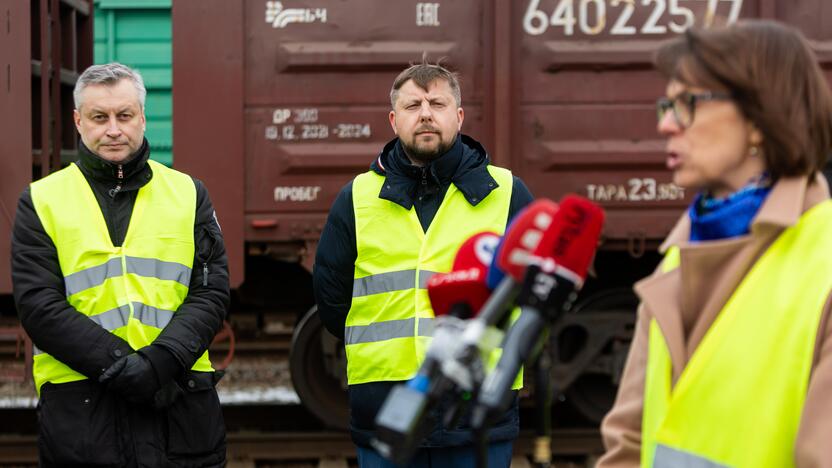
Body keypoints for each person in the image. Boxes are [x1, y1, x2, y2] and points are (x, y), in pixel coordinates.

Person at [599, 20, 832, 467]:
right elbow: (627, 442)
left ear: (761, 119)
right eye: (667, 104)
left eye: (688, 103)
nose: (666, 124)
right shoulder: (675, 261)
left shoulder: (823, 265)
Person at [313, 59, 534, 467]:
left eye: (438, 103)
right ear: (394, 120)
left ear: (459, 116)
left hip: (476, 409)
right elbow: (332, 300)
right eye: (414, 106)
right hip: (386, 408)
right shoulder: (358, 197)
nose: (427, 114)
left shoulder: (506, 193)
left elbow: (535, 299)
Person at [11, 63, 229, 467]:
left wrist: (159, 361)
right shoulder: (41, 200)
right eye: (99, 117)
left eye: (124, 116)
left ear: (143, 118)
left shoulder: (187, 193)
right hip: (86, 411)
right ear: (79, 121)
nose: (113, 129)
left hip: (176, 399)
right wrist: (125, 366)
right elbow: (39, 306)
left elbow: (211, 291)